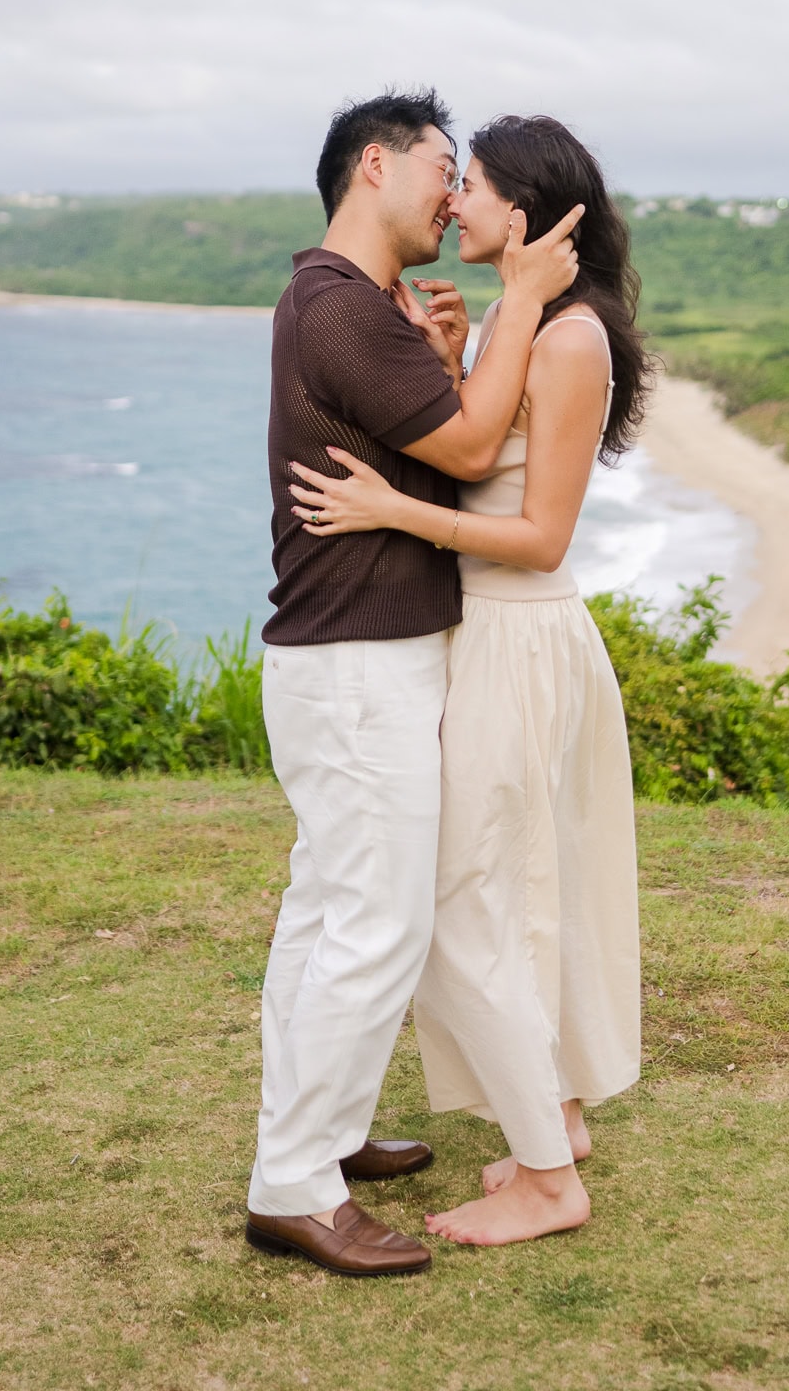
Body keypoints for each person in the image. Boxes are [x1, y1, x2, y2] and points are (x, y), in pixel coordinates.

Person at [289, 113, 650, 1248]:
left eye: (476, 185)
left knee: (460, 894)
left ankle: (549, 1175)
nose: (458, 204)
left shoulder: (570, 336)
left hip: (519, 632)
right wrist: (451, 362)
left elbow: (541, 532)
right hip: (479, 629)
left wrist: (388, 509)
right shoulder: (518, 315)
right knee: (517, 879)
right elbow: (479, 449)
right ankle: (562, 1115)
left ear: (530, 210)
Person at [245, 89, 583, 1278]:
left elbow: (431, 456)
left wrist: (443, 358)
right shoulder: (340, 307)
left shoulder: (352, 305)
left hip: (348, 652)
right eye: (442, 167)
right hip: (355, 661)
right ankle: (294, 1184)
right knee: (375, 921)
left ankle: (322, 1137)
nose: (452, 193)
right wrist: (527, 301)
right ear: (374, 167)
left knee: (331, 908)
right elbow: (475, 452)